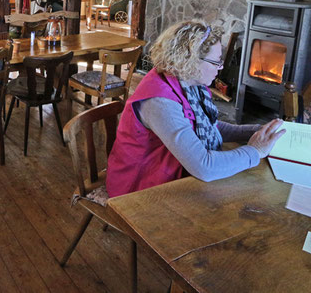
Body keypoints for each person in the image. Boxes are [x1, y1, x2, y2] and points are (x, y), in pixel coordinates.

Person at [106, 20, 286, 198]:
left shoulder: (188, 82)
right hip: (139, 187)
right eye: (216, 62)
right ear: (191, 60)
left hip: (167, 172)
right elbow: (204, 167)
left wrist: (256, 131)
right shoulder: (159, 102)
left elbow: (208, 126)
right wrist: (255, 152)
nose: (220, 67)